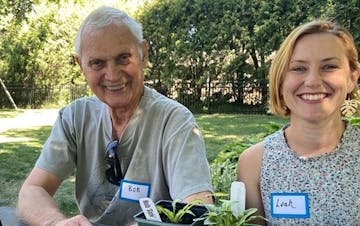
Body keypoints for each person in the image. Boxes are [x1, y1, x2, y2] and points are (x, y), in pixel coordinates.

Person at [18, 6, 213, 226]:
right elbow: (33, 189)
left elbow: (198, 207)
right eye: (97, 63)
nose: (112, 75)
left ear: (143, 54)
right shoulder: (74, 117)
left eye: (123, 58)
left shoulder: (175, 122)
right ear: (81, 65)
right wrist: (54, 222)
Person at [237, 20, 360, 225]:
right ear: (280, 79)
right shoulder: (254, 163)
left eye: (329, 66)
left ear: (352, 76)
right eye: (298, 68)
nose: (312, 81)